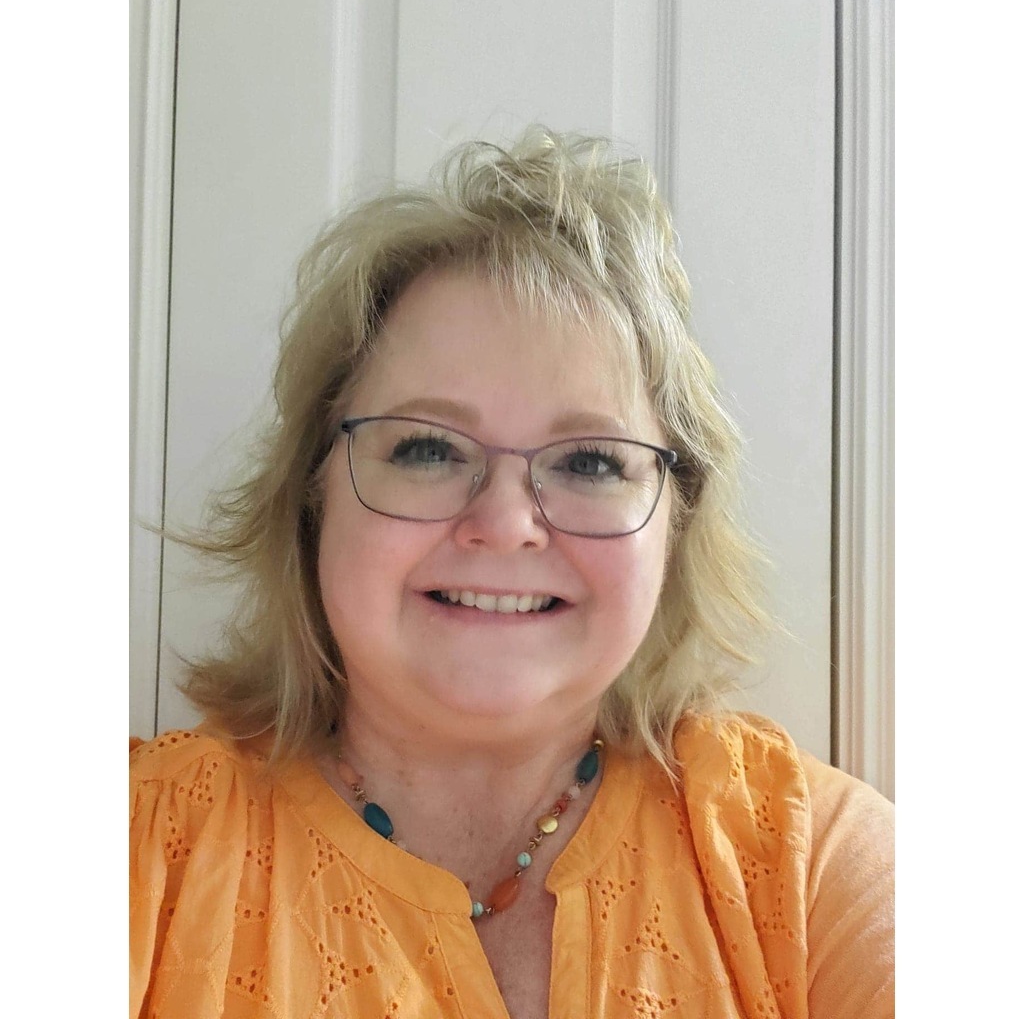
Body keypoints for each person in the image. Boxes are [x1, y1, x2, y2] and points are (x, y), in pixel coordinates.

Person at [129, 128, 894, 1019]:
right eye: (426, 448)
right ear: (312, 497)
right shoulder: (137, 852)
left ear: (675, 524)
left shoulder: (802, 865)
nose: (503, 524)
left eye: (591, 461)